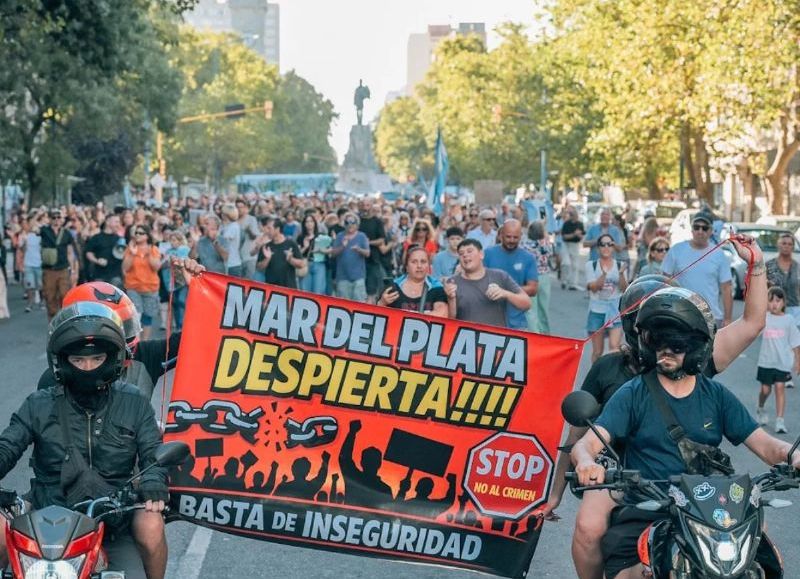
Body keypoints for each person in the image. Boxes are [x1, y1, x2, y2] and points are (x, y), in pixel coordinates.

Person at [541, 236, 768, 579]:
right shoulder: (616, 376)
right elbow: (580, 438)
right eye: (657, 334)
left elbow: (753, 323)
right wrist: (561, 488)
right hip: (624, 476)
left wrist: (758, 265)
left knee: (760, 553)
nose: (669, 346)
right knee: (589, 526)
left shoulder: (702, 371)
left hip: (699, 488)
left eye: (677, 338)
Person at [571, 287, 797, 579]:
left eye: (676, 343)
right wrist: (587, 462)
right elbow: (587, 444)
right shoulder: (633, 394)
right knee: (639, 573)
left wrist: (794, 456)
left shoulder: (715, 395)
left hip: (710, 510)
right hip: (649, 507)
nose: (666, 350)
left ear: (695, 346)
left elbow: (767, 445)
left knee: (761, 560)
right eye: (658, 341)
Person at [0, 302, 169, 579]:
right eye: (78, 360)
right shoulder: (38, 404)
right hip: (46, 508)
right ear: (62, 362)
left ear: (112, 359)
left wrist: (153, 483)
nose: (87, 367)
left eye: (96, 359)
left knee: (151, 524)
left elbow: (154, 451)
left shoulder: (134, 402)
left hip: (116, 514)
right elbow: (7, 446)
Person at [662, 209, 732, 327]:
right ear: (692, 229)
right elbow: (664, 281)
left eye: (704, 228)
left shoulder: (719, 254)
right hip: (680, 314)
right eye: (697, 227)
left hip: (710, 317)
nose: (700, 231)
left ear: (711, 231)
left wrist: (728, 318)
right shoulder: (676, 250)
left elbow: (726, 288)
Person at [443, 239, 530, 328]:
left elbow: (526, 303)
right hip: (466, 338)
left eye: (469, 251)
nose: (465, 255)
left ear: (481, 254)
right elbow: (450, 323)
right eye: (461, 253)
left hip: (496, 338)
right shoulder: (452, 282)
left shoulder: (500, 276)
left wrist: (505, 293)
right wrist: (451, 299)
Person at [756, 287, 800, 433]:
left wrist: (798, 361)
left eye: (778, 300)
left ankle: (780, 421)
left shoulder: (788, 320)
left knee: (780, 388)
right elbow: (752, 330)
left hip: (782, 363)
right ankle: (761, 407)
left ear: (783, 302)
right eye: (771, 300)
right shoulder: (764, 318)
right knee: (765, 389)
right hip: (766, 362)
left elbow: (795, 342)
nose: (774, 304)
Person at [484, 219, 538, 330]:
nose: (512, 240)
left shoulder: (528, 258)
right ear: (501, 235)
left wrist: (505, 292)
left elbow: (533, 289)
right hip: (490, 318)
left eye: (515, 237)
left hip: (518, 320)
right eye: (508, 237)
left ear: (521, 236)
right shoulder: (488, 254)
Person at [585, 233, 629, 362]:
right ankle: (594, 379)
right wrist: (603, 275)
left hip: (615, 310)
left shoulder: (620, 265)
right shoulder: (591, 265)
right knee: (598, 352)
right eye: (603, 244)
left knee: (614, 348)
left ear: (613, 247)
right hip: (596, 311)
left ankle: (611, 379)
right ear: (598, 248)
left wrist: (621, 274)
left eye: (610, 244)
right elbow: (593, 287)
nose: (606, 247)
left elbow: (624, 288)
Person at [377, 245, 448, 316]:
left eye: (423, 262)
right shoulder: (393, 287)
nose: (419, 266)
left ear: (429, 266)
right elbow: (378, 317)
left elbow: (442, 314)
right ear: (407, 267)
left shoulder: (437, 287)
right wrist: (382, 303)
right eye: (414, 262)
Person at [122, 224, 161, 340]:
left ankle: (145, 342)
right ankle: (137, 343)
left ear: (147, 236)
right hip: (133, 287)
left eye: (141, 233)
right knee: (135, 316)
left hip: (150, 287)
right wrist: (133, 253)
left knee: (147, 317)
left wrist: (148, 254)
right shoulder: (130, 248)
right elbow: (125, 267)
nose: (138, 235)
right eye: (136, 233)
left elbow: (156, 267)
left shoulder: (153, 249)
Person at [40, 209, 79, 319]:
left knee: (64, 294)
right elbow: (31, 228)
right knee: (50, 296)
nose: (56, 220)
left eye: (58, 217)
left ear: (62, 219)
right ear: (50, 219)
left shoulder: (66, 233)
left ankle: (64, 318)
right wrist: (38, 214)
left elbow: (70, 251)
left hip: (63, 268)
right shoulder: (44, 231)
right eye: (54, 217)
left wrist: (73, 269)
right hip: (49, 269)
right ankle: (53, 319)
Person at [256, 217, 305, 289]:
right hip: (271, 289)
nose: (267, 231)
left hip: (288, 288)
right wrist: (267, 259)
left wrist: (290, 259)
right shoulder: (266, 246)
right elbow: (259, 268)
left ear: (277, 229)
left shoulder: (291, 244)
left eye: (269, 228)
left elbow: (301, 264)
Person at [331, 212, 370, 301]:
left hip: (358, 276)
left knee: (359, 305)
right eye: (347, 223)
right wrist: (343, 246)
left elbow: (368, 253)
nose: (350, 225)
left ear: (357, 224)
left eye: (353, 222)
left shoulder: (362, 236)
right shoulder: (340, 236)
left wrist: (359, 249)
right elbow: (333, 254)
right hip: (342, 277)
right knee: (343, 305)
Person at [523, 220, 553, 333]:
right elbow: (551, 254)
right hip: (544, 276)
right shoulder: (546, 243)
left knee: (531, 309)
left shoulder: (526, 244)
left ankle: (535, 332)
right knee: (543, 308)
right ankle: (545, 332)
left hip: (530, 277)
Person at [766, 231, 800, 325]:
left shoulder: (797, 266)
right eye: (784, 243)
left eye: (790, 244)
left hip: (794, 310)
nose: (786, 246)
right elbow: (763, 289)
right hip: (774, 309)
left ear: (793, 247)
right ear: (778, 245)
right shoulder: (770, 265)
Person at [359, 200, 386, 303]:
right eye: (363, 205)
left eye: (367, 205)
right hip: (358, 260)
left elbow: (381, 240)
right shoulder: (358, 221)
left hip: (373, 260)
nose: (365, 208)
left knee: (371, 290)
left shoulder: (377, 221)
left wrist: (368, 243)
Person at [85, 215, 124, 286]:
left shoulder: (120, 239)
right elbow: (88, 253)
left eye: (119, 222)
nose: (118, 224)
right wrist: (97, 260)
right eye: (116, 222)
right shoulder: (96, 238)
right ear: (108, 222)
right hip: (99, 275)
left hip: (115, 275)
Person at [298, 213, 330, 295]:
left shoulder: (321, 236)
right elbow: (297, 254)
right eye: (307, 222)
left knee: (318, 291)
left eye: (311, 221)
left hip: (319, 264)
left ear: (315, 223)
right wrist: (305, 247)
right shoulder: (301, 237)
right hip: (306, 264)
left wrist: (320, 250)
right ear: (304, 224)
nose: (309, 223)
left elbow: (330, 250)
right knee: (305, 291)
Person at [560, 206, 585, 290]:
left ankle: (573, 283)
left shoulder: (580, 224)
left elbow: (582, 236)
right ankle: (564, 280)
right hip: (567, 245)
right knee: (566, 263)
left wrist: (579, 235)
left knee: (575, 265)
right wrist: (574, 234)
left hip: (575, 245)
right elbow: (564, 237)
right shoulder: (566, 224)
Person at [20, 221, 43, 312]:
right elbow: (22, 249)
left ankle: (41, 302)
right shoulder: (26, 237)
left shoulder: (41, 238)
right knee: (30, 285)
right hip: (28, 264)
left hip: (39, 264)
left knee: (41, 285)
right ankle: (30, 304)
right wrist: (25, 243)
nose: (34, 229)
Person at [235, 197, 260, 280]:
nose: (239, 209)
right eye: (237, 207)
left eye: (241, 207)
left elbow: (255, 237)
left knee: (249, 282)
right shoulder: (233, 220)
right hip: (237, 259)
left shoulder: (251, 219)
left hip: (249, 257)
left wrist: (249, 231)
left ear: (245, 208)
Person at [219, 204, 243, 277]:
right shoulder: (224, 226)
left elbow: (224, 239)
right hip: (226, 264)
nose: (221, 215)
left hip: (233, 264)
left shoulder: (234, 226)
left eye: (222, 213)